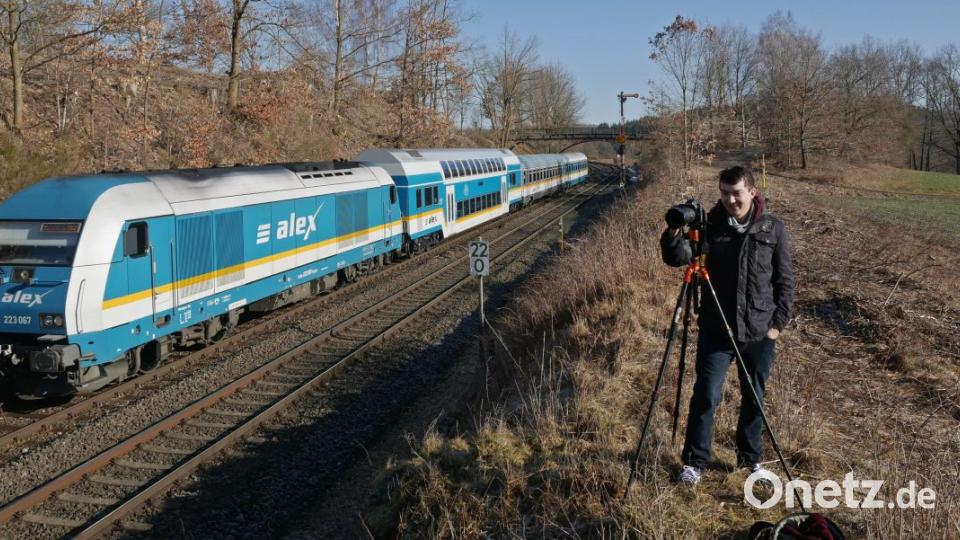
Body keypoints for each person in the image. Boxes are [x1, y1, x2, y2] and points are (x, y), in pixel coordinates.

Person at [660, 165, 794, 487]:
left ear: (752, 191)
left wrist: (777, 325)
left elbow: (784, 281)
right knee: (706, 394)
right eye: (724, 193)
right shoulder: (711, 225)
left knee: (754, 398)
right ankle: (695, 462)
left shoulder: (772, 228)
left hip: (759, 331)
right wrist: (674, 233)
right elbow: (678, 258)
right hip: (716, 329)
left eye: (736, 193)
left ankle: (750, 460)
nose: (730, 199)